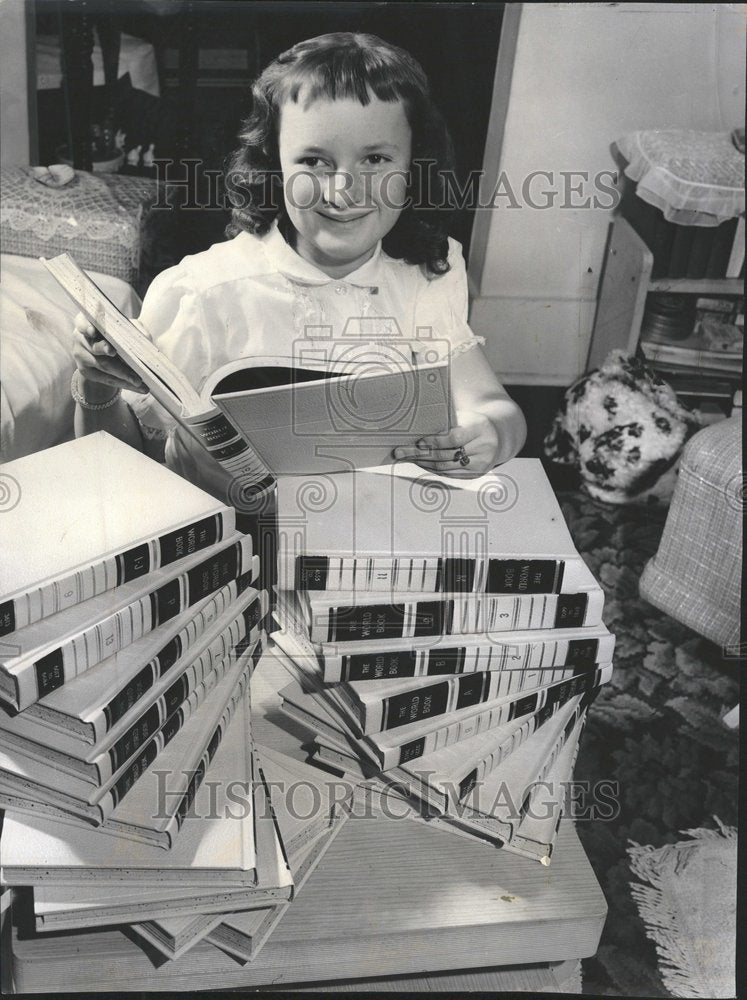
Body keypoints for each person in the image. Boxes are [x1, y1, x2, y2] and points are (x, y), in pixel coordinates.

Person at [71, 32, 526, 502]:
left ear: (414, 165)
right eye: (314, 161)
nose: (343, 190)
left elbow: (494, 407)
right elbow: (117, 469)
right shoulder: (199, 292)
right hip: (228, 544)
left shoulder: (429, 268)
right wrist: (94, 383)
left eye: (375, 158)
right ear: (275, 165)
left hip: (368, 534)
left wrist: (489, 435)